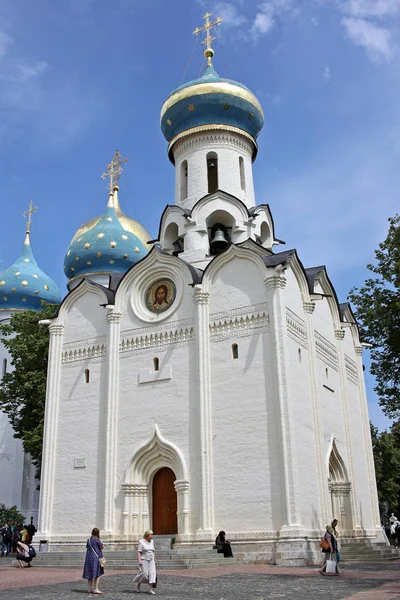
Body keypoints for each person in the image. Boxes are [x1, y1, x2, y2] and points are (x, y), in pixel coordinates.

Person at [82, 528, 104, 595]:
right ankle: (96, 589)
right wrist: (99, 539)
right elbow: (102, 546)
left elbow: (87, 547)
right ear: (98, 533)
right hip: (95, 558)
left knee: (90, 574)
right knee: (97, 574)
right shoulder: (97, 540)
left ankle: (89, 589)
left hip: (88, 558)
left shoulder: (88, 540)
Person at [136, 530, 157, 595]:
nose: (152, 536)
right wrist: (139, 560)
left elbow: (153, 551)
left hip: (151, 559)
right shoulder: (141, 542)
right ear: (147, 535)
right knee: (145, 574)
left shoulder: (152, 542)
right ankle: (139, 583)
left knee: (152, 573)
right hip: (144, 559)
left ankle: (150, 589)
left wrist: (155, 560)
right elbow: (139, 552)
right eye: (151, 535)